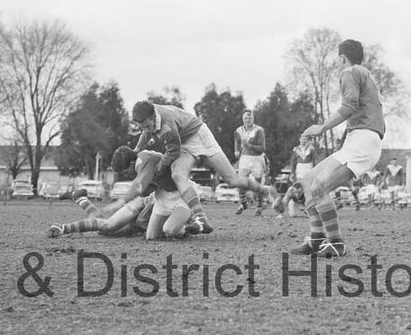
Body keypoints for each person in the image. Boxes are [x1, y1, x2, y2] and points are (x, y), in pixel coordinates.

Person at [281, 38, 385, 257]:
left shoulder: (349, 72)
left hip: (363, 140)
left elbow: (349, 106)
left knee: (319, 186)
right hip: (360, 139)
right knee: (307, 181)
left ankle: (336, 243)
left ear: (341, 58)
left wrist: (323, 127)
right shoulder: (364, 74)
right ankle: (317, 239)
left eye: (337, 60)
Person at [130, 101, 273, 234]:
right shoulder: (150, 114)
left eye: (147, 125)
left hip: (199, 135)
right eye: (142, 127)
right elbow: (146, 132)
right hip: (184, 141)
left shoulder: (167, 126)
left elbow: (172, 152)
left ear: (153, 116)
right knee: (177, 175)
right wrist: (135, 151)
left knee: (233, 180)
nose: (146, 129)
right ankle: (201, 220)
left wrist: (159, 168)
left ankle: (263, 189)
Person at [48, 149, 192, 240]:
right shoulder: (143, 160)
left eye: (124, 172)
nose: (126, 175)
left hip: (154, 202)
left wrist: (121, 201)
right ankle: (65, 225)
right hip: (150, 202)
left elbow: (139, 186)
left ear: (130, 163)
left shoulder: (143, 161)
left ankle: (80, 199)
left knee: (107, 228)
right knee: (108, 226)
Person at [233, 110, 267, 215]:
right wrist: (237, 150)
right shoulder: (238, 130)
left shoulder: (259, 130)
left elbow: (262, 148)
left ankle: (259, 206)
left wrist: (249, 146)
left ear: (253, 119)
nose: (247, 120)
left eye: (250, 118)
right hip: (244, 158)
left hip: (257, 159)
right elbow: (237, 141)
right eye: (245, 118)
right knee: (240, 182)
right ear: (243, 119)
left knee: (257, 184)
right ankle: (243, 203)